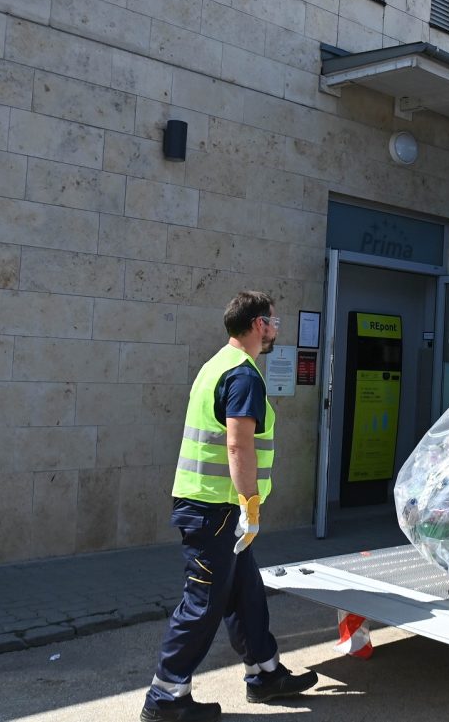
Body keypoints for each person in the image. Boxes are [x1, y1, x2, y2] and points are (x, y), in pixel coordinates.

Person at [141, 291, 317, 722]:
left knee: (246, 593)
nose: (275, 329)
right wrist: (250, 506)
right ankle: (165, 696)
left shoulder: (216, 364)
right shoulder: (243, 374)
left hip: (214, 509)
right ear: (258, 324)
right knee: (203, 603)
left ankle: (265, 674)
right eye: (274, 321)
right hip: (216, 511)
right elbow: (239, 446)